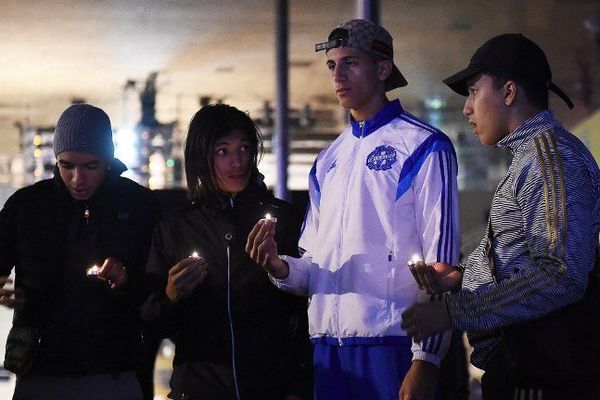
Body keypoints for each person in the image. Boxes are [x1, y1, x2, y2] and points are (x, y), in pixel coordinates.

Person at [246, 19, 460, 400]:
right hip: (327, 349)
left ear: (383, 69)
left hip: (394, 345)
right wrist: (277, 266)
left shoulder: (426, 146)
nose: (338, 75)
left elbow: (440, 268)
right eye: (332, 65)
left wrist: (426, 360)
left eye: (351, 63)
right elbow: (312, 267)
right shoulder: (328, 160)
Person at [401, 34, 600, 400]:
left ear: (509, 92)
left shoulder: (549, 158)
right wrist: (463, 277)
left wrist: (454, 312)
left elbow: (561, 273)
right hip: (526, 368)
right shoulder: (535, 157)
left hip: (544, 378)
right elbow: (522, 259)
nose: (467, 108)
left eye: (474, 91)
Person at [141, 104, 312, 400]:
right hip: (199, 389)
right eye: (223, 151)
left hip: (272, 389)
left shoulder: (283, 220)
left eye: (244, 148)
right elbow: (150, 324)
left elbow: (307, 312)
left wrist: (298, 388)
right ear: (201, 157)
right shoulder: (176, 228)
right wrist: (171, 295)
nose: (237, 161)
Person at [0, 103, 160, 400]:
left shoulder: (138, 205)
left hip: (114, 370)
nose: (77, 179)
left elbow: (158, 290)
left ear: (109, 161)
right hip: (40, 370)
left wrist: (127, 280)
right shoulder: (27, 206)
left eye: (91, 166)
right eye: (67, 166)